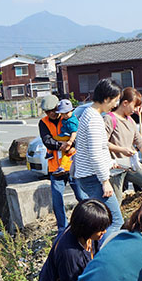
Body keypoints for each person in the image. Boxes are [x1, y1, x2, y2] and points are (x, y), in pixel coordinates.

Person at [37, 200, 112, 281]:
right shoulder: (70, 254)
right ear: (88, 228)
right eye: (101, 229)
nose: (104, 231)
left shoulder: (86, 236)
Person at [72, 78, 124, 239]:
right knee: (115, 221)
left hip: (89, 175)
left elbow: (94, 149)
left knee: (99, 221)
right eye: (115, 101)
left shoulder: (88, 113)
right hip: (94, 178)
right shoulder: (94, 119)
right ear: (106, 98)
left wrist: (110, 163)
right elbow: (94, 153)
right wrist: (105, 181)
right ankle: (104, 256)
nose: (115, 105)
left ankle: (94, 252)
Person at [37, 95, 85, 233]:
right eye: (47, 111)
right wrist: (61, 145)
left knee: (82, 197)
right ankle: (62, 229)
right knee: (57, 200)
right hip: (55, 168)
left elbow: (78, 136)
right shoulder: (43, 122)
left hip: (72, 165)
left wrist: (70, 145)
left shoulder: (68, 117)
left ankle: (87, 223)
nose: (51, 113)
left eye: (53, 110)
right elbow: (47, 141)